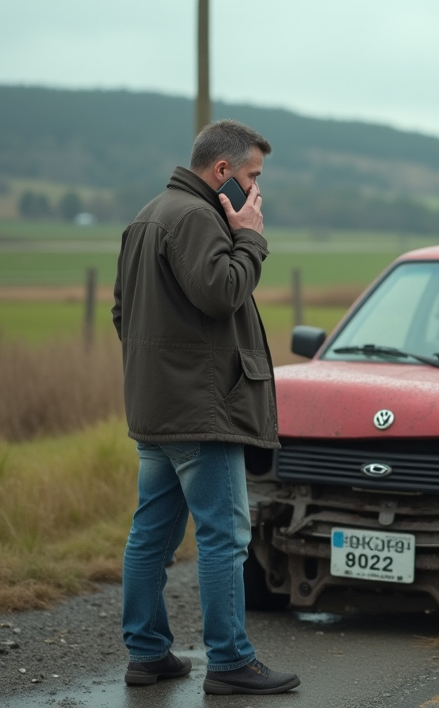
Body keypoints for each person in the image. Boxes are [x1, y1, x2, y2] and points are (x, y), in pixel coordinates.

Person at [112, 119, 299, 696]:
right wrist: (251, 236)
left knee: (152, 535)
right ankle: (230, 662)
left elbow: (123, 313)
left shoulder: (146, 216)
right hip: (202, 410)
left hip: (158, 408)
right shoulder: (197, 217)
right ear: (222, 172)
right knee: (225, 536)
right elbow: (222, 292)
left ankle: (147, 654)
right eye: (252, 176)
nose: (257, 191)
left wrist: (162, 371)